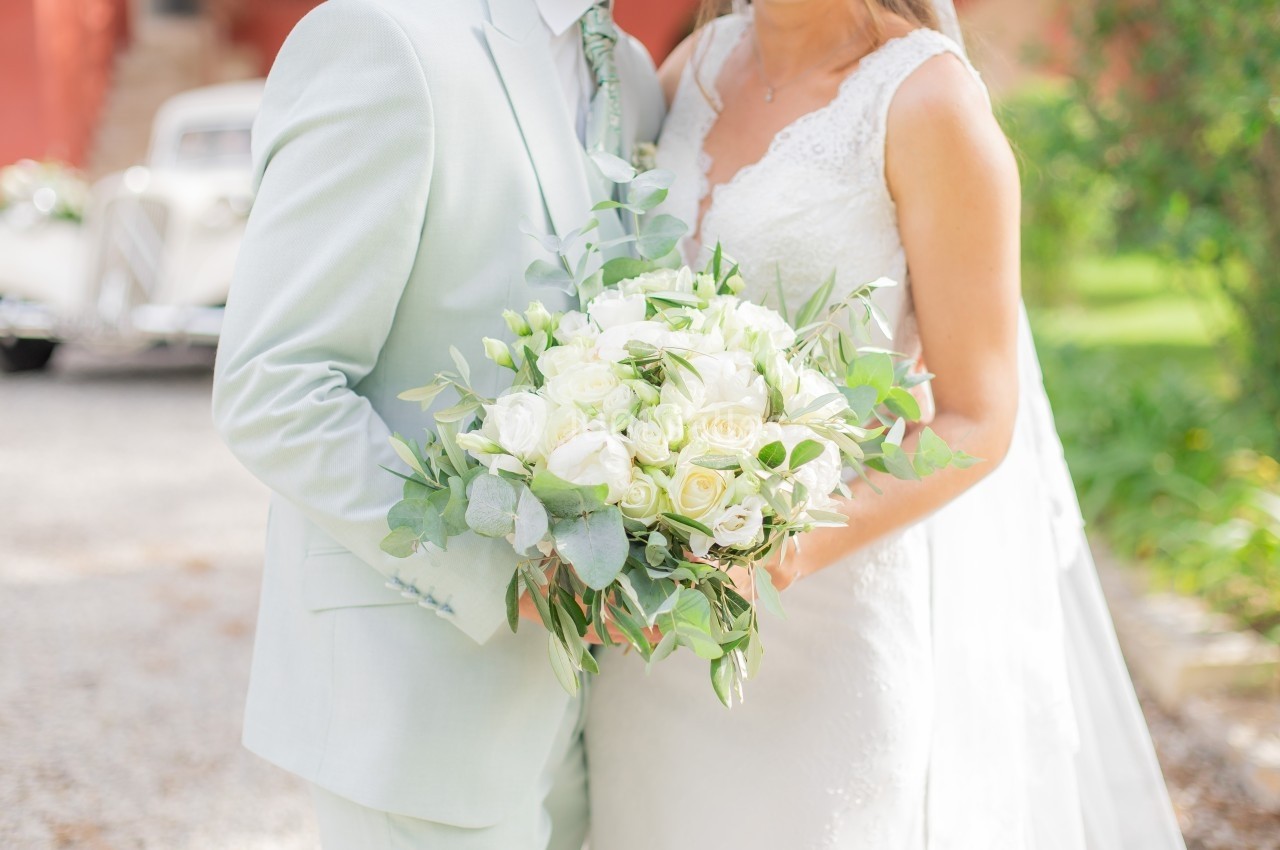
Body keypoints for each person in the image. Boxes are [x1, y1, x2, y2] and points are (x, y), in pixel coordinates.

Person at [585, 1, 1188, 848]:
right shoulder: (693, 68)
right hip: (656, 630)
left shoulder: (927, 103)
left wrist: (775, 553)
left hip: (824, 625)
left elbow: (978, 420)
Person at [210, 0, 662, 847]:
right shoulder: (384, 40)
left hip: (597, 712)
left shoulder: (631, 74)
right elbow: (274, 387)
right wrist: (509, 579)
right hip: (418, 694)